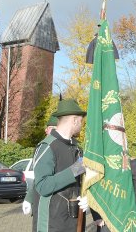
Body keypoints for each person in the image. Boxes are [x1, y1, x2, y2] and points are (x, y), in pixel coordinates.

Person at [31, 99, 88, 232]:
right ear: (74, 120)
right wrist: (75, 170)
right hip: (52, 223)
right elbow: (42, 186)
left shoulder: (77, 148)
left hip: (74, 221)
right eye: (81, 121)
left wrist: (87, 199)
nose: (82, 124)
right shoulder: (47, 146)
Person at [22, 113, 59, 215]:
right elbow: (39, 178)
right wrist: (29, 198)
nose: (46, 131)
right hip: (42, 201)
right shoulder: (42, 147)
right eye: (50, 128)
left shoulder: (66, 148)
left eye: (55, 128)